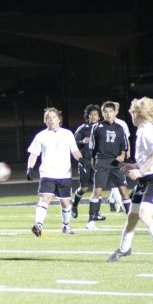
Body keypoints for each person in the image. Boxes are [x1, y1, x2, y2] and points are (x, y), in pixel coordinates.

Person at [106, 97, 153, 265]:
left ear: (139, 113)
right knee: (132, 216)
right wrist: (133, 166)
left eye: (133, 111)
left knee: (144, 214)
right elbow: (148, 157)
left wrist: (140, 171)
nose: (132, 114)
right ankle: (124, 249)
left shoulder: (148, 131)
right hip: (146, 181)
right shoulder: (143, 130)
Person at [25, 107, 83, 237]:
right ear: (45, 121)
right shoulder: (41, 136)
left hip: (64, 174)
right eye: (48, 118)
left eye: (53, 117)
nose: (51, 120)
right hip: (47, 173)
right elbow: (34, 154)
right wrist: (29, 168)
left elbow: (74, 151)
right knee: (45, 198)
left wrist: (81, 159)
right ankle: (38, 225)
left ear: (59, 119)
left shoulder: (67, 134)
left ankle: (66, 226)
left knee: (65, 202)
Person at [86, 101, 132, 229]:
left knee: (124, 191)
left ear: (115, 112)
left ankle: (131, 220)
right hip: (102, 161)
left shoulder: (120, 127)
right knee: (97, 191)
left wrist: (122, 156)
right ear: (103, 113)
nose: (108, 114)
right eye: (105, 112)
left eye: (110, 111)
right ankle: (90, 221)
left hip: (116, 162)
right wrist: (93, 160)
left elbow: (124, 145)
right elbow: (93, 147)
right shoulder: (97, 127)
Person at [71, 104, 100, 218]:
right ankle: (75, 204)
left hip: (98, 162)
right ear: (87, 116)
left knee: (98, 187)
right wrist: (82, 141)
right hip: (86, 161)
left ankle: (96, 213)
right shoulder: (83, 128)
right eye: (91, 114)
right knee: (84, 188)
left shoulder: (102, 127)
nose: (93, 116)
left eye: (95, 114)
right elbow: (72, 144)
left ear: (99, 116)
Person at [106, 101, 133, 214]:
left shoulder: (122, 124)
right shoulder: (103, 124)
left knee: (119, 179)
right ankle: (120, 203)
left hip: (119, 155)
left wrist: (128, 151)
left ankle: (112, 199)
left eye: (114, 110)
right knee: (114, 179)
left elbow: (126, 139)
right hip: (108, 156)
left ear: (116, 111)